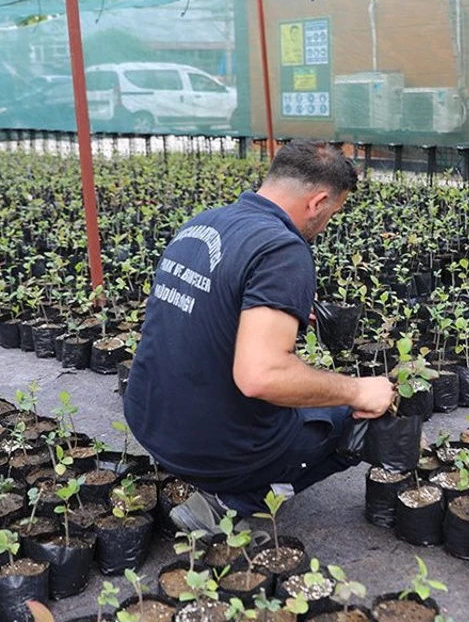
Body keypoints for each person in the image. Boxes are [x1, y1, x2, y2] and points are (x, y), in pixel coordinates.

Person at [123, 140, 396, 534]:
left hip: (149, 420)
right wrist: (357, 391)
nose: (326, 225)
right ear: (318, 202)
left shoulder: (203, 223)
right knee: (354, 419)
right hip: (205, 449)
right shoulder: (283, 249)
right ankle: (230, 500)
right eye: (332, 214)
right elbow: (261, 377)